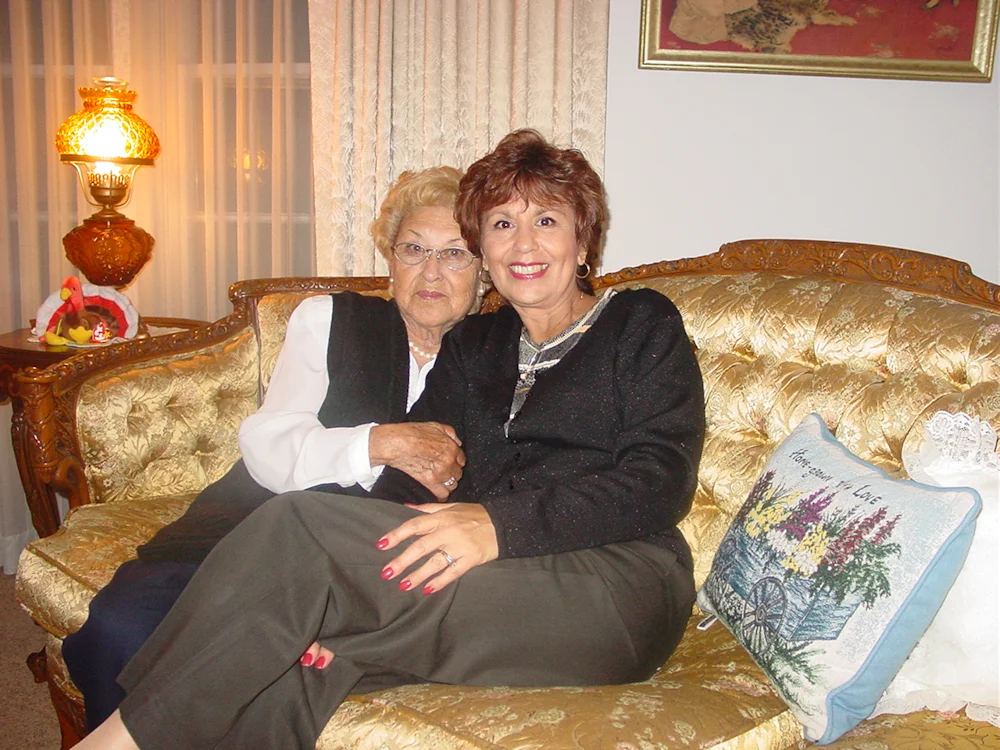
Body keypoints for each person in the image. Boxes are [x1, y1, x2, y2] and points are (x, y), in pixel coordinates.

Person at [77, 129, 706, 750]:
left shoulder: (638, 321)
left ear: (583, 239)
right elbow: (414, 477)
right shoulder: (475, 345)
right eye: (501, 224)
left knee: (298, 529)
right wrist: (333, 592)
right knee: (290, 668)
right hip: (498, 576)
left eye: (546, 220)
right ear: (485, 250)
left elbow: (660, 479)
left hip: (616, 583)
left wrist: (497, 525)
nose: (523, 243)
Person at [62, 165, 481, 730]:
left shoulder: (497, 356)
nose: (431, 270)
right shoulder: (332, 319)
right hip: (245, 528)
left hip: (361, 569)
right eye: (414, 249)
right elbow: (269, 445)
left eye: (455, 254)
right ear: (390, 259)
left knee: (273, 669)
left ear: (483, 270)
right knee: (122, 629)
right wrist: (378, 443)